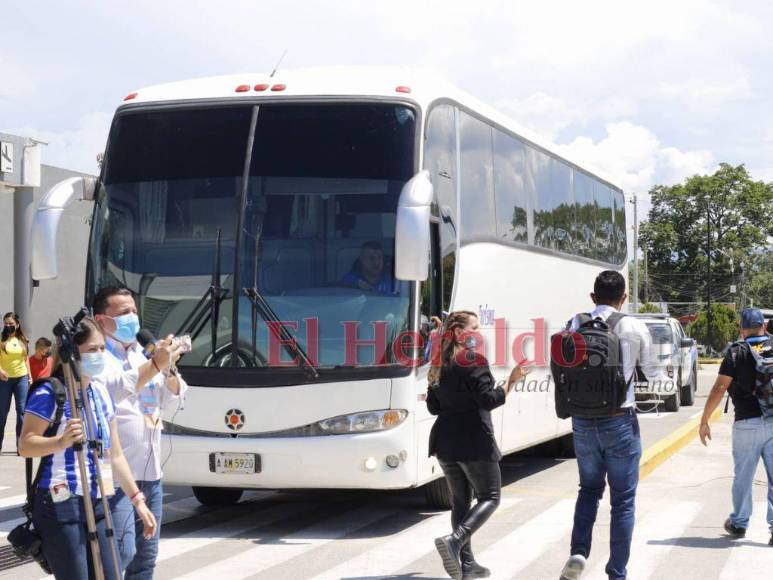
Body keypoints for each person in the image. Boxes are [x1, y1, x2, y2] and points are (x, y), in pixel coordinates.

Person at [18, 317, 157, 580]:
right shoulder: (50, 393)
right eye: (93, 350)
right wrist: (59, 442)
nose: (100, 355)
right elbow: (25, 445)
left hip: (98, 498)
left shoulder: (100, 393)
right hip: (60, 500)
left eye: (103, 348)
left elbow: (114, 454)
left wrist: (138, 500)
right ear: (72, 353)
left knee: (110, 573)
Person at [559, 271, 670, 580]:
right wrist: (668, 384)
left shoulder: (574, 323)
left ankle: (578, 552)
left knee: (589, 490)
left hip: (582, 421)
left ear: (592, 298)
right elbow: (652, 373)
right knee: (622, 501)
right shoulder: (633, 326)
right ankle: (616, 573)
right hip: (620, 421)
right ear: (624, 299)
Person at [92, 286, 187, 579]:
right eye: (123, 313)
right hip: (116, 477)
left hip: (151, 473)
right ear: (101, 321)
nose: (132, 318)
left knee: (145, 560)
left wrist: (167, 368)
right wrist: (155, 364)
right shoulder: (97, 357)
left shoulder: (142, 354)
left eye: (134, 310)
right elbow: (119, 386)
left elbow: (174, 398)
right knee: (120, 554)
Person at [426, 310, 526, 580]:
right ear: (459, 332)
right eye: (475, 327)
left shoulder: (439, 363)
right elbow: (489, 400)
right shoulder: (473, 360)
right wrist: (513, 381)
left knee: (461, 501)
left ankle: (467, 565)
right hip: (474, 441)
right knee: (490, 497)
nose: (479, 332)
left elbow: (434, 407)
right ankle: (455, 540)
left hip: (445, 442)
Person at [699, 307, 773, 546]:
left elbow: (720, 388)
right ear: (764, 326)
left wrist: (705, 420)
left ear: (741, 329)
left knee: (743, 476)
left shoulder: (736, 352)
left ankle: (740, 523)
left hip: (746, 423)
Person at [0, 312, 32, 453]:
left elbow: (25, 359)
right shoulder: (1, 339)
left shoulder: (23, 340)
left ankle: (21, 446)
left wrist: (30, 376)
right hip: (4, 380)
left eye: (11, 324)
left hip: (21, 378)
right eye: (6, 323)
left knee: (21, 412)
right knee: (2, 413)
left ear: (17, 324)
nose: (8, 326)